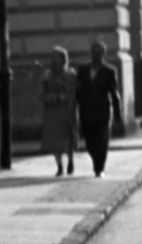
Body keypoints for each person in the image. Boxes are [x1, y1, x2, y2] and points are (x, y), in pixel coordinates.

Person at [74, 41, 124, 177]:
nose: (96, 55)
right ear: (91, 54)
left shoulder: (109, 71)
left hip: (103, 111)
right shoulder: (83, 70)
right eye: (94, 52)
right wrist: (77, 104)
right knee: (89, 142)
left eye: (99, 52)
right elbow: (78, 90)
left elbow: (114, 93)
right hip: (86, 111)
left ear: (103, 54)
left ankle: (99, 168)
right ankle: (96, 161)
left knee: (102, 141)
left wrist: (118, 115)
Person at [40, 47, 78, 176]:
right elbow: (42, 95)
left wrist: (70, 98)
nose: (54, 61)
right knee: (55, 140)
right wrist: (55, 97)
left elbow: (76, 91)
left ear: (64, 59)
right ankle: (60, 165)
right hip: (53, 112)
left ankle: (71, 161)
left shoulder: (71, 74)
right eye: (53, 58)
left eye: (57, 58)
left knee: (70, 139)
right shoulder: (47, 76)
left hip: (68, 111)